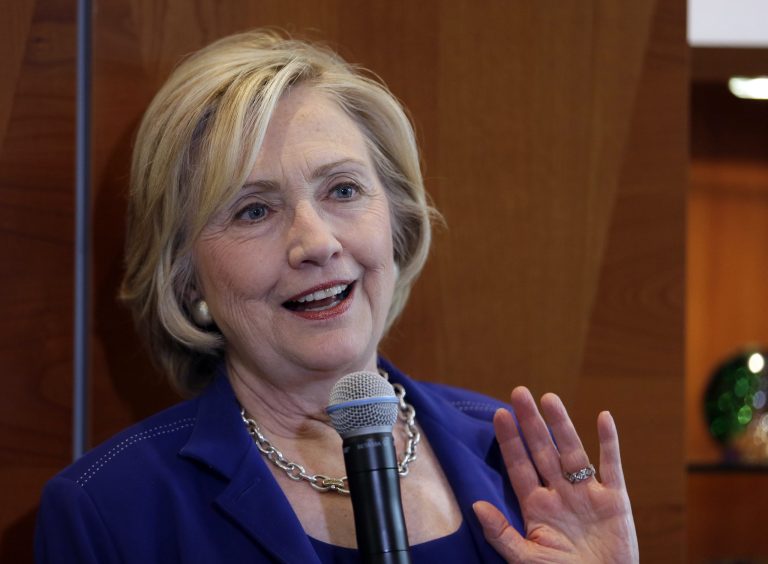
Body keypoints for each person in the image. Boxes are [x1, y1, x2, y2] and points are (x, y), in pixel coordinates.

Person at [35, 30, 638, 563]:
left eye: (343, 189)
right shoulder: (108, 511)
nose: (316, 243)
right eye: (253, 210)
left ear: (395, 221)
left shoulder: (520, 462)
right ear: (185, 275)